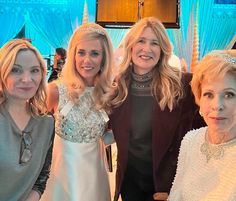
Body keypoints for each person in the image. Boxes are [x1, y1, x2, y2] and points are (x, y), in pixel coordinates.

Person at [108, 17, 205, 201]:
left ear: (162, 50)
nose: (147, 49)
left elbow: (204, 136)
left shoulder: (184, 85)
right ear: (130, 46)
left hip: (169, 185)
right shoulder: (118, 87)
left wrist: (182, 186)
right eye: (141, 41)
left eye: (155, 43)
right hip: (131, 185)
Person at [41, 23, 115, 201]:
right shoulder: (55, 91)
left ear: (104, 58)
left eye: (94, 53)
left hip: (95, 178)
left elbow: (109, 136)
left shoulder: (110, 95)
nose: (86, 60)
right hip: (61, 178)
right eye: (81, 52)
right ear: (73, 55)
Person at [168, 50, 236, 201]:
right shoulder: (191, 140)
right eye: (209, 94)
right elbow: (177, 194)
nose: (217, 106)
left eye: (229, 94)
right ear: (199, 99)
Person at [0, 39, 55, 201]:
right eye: (16, 70)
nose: (26, 79)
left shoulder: (47, 123)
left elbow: (41, 179)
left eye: (34, 70)